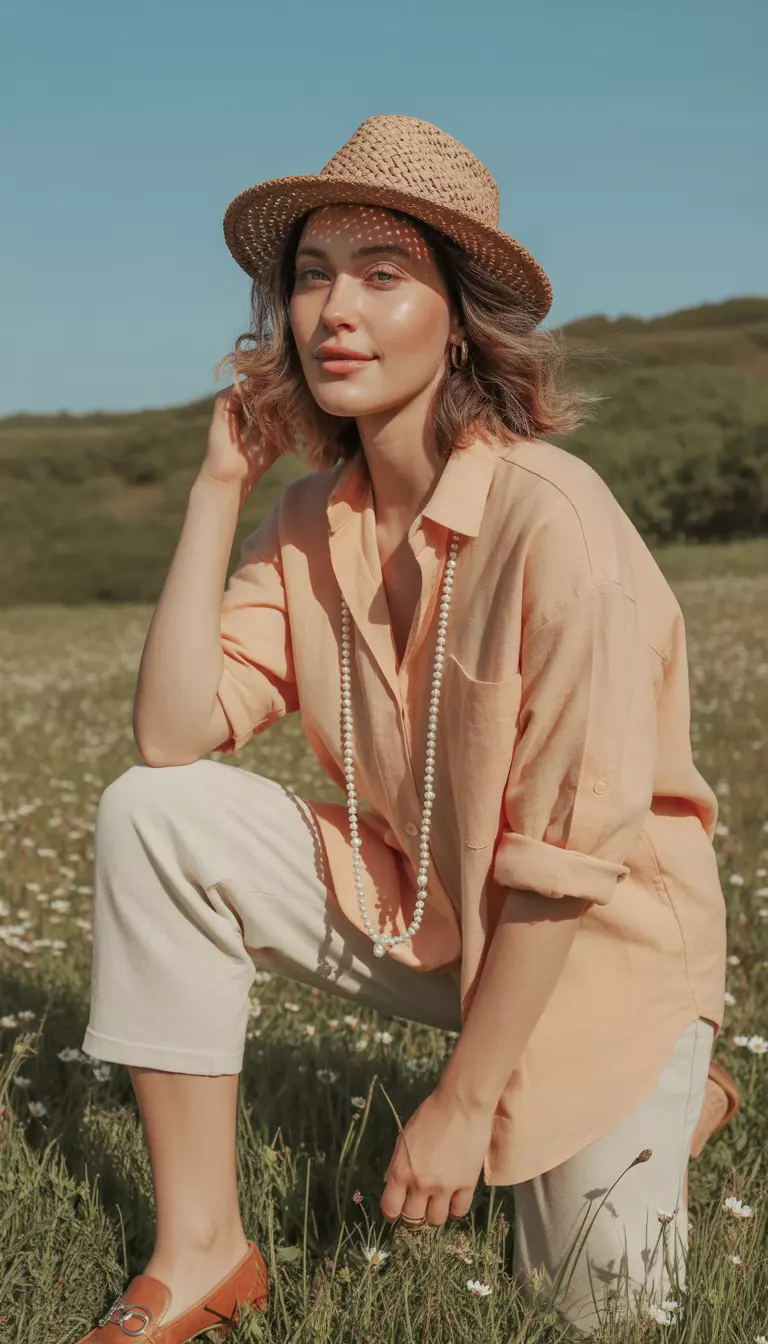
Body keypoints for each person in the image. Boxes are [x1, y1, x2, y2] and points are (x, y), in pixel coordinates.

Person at [76, 115, 737, 1342]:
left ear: (459, 317)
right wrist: (219, 489)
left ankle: (673, 1090)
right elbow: (172, 736)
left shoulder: (557, 524)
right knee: (150, 815)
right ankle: (203, 1252)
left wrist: (461, 1100)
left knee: (593, 1317)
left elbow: (561, 866)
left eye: (385, 275)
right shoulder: (307, 514)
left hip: (592, 951)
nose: (335, 307)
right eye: (314, 274)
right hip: (426, 902)